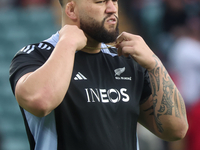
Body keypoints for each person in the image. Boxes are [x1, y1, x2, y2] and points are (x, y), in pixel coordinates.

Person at [9, 0, 188, 149]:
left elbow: (176, 130)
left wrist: (155, 64)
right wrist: (68, 42)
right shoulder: (36, 56)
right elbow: (40, 101)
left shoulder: (126, 61)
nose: (112, 8)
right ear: (71, 10)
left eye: (115, 1)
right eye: (101, 1)